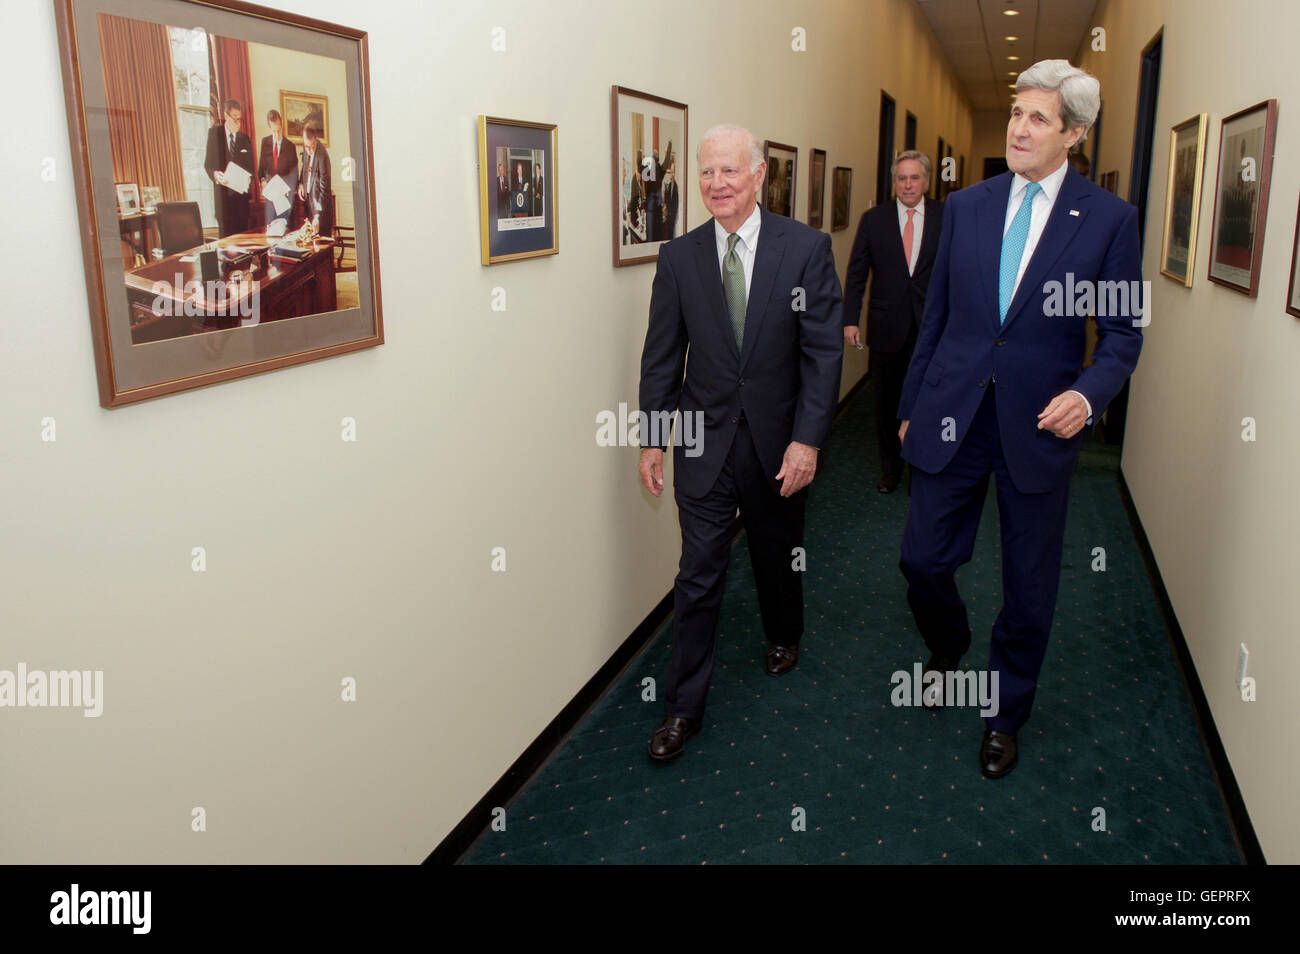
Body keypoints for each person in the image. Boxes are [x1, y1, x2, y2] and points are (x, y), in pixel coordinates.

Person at [896, 59, 1143, 778]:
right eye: (1016, 114)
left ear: (1074, 135)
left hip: (1040, 425)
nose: (1020, 128)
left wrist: (1091, 393)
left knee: (1029, 588)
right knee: (921, 559)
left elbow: (1124, 332)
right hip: (951, 413)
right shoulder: (967, 206)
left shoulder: (1107, 220)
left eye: (1039, 118)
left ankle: (1005, 711)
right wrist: (912, 407)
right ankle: (949, 642)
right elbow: (936, 317)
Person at [638, 124, 843, 761]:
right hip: (703, 444)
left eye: (729, 171)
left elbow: (822, 353)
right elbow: (662, 356)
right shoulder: (680, 258)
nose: (716, 184)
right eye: (706, 173)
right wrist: (652, 436)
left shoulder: (806, 249)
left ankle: (785, 633)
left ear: (759, 176)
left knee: (777, 556)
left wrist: (807, 442)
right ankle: (682, 708)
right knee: (697, 575)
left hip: (778, 443)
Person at [843, 150, 943, 493]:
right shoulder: (874, 220)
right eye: (901, 178)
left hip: (932, 329)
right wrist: (850, 318)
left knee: (927, 403)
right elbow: (856, 273)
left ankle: (920, 471)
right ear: (894, 182)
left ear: (927, 181)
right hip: (887, 329)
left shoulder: (946, 217)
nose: (908, 185)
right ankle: (891, 469)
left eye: (915, 178)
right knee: (887, 403)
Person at [204, 98, 254, 237]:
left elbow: (251, 169)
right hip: (224, 204)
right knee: (226, 249)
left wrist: (248, 180)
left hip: (241, 205)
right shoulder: (214, 134)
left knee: (244, 247)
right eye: (235, 119)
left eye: (240, 119)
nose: (238, 123)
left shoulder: (245, 139)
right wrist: (215, 175)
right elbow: (208, 165)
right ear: (226, 116)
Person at [258, 109, 298, 231]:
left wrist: (287, 190)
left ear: (282, 126)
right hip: (271, 198)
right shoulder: (265, 142)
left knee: (284, 231)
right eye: (274, 131)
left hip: (285, 197)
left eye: (279, 130)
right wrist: (262, 180)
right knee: (270, 232)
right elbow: (261, 168)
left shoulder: (290, 146)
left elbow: (294, 174)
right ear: (269, 128)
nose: (277, 134)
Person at [296, 121, 332, 236]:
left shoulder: (322, 156)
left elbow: (324, 188)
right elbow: (304, 167)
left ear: (315, 139)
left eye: (312, 147)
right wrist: (301, 183)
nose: (309, 151)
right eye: (307, 147)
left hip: (321, 208)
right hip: (309, 204)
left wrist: (317, 215)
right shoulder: (306, 147)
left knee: (321, 247)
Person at [660, 165, 679, 240]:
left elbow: (675, 204)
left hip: (672, 218)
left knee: (670, 236)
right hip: (668, 217)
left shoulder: (676, 186)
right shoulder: (670, 184)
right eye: (671, 172)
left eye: (673, 172)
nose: (672, 174)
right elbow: (667, 201)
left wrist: (671, 215)